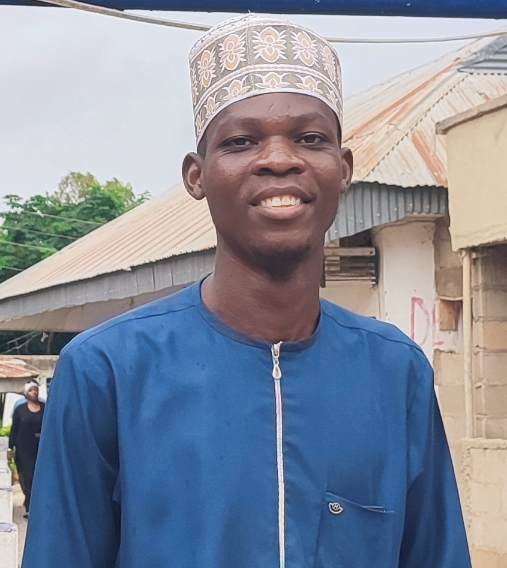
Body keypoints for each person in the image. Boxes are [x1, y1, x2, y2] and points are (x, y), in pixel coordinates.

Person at [23, 14, 470, 567]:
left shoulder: (395, 371)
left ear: (343, 168)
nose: (279, 159)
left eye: (310, 138)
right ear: (197, 175)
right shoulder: (107, 370)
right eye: (241, 141)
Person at [8, 380, 45, 518]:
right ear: (25, 393)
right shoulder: (20, 410)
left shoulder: (45, 407)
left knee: (40, 477)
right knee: (28, 477)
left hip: (41, 449)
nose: (34, 392)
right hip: (24, 450)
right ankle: (30, 507)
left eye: (35, 389)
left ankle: (38, 504)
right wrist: (10, 448)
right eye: (31, 390)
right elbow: (14, 430)